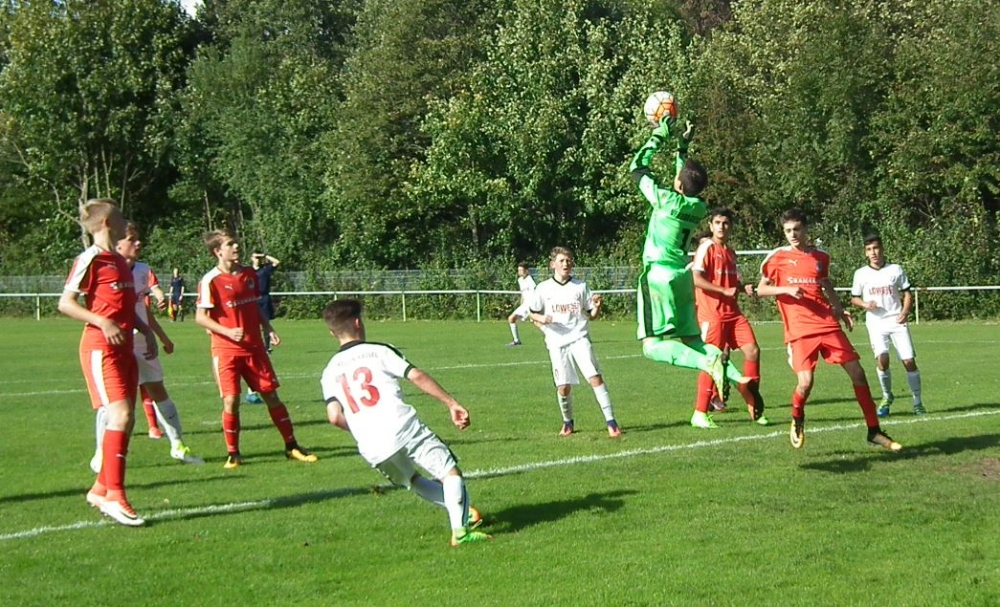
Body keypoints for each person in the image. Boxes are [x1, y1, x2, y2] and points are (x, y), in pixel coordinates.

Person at [320, 299, 490, 547]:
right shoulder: (379, 351)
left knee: (413, 480)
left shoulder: (329, 372)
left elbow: (334, 416)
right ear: (358, 323)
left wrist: (362, 428)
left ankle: (463, 512)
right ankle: (460, 532)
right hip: (403, 427)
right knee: (450, 473)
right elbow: (416, 375)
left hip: (371, 445)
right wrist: (451, 403)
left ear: (332, 332)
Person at [629, 105, 755, 402]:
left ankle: (708, 364)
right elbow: (684, 181)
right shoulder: (698, 206)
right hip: (682, 278)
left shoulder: (664, 200)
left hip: (658, 276)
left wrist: (660, 134)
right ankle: (739, 378)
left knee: (651, 346)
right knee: (693, 339)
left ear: (678, 184)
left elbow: (637, 167)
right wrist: (682, 147)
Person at [756, 209, 902, 451]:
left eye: (797, 229)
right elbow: (761, 289)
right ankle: (797, 416)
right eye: (788, 230)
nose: (793, 234)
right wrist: (785, 290)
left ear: (805, 229)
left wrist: (839, 309)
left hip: (826, 323)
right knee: (805, 382)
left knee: (858, 372)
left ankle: (874, 430)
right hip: (800, 329)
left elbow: (825, 284)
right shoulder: (777, 258)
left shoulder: (820, 257)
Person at [58, 199, 153, 526]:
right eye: (121, 217)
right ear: (108, 223)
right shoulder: (91, 258)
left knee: (128, 419)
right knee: (120, 414)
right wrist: (102, 322)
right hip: (101, 348)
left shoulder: (119, 260)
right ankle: (115, 495)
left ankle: (100, 489)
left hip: (124, 348)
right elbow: (66, 303)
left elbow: (123, 307)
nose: (127, 221)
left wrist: (145, 330)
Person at [195, 229, 317, 468]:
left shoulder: (249, 274)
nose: (236, 247)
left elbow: (254, 306)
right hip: (226, 351)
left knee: (271, 395)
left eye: (235, 243)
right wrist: (228, 332)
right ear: (218, 251)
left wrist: (268, 328)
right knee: (231, 400)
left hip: (254, 348)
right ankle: (233, 453)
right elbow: (200, 317)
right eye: (230, 244)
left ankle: (292, 446)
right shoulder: (210, 280)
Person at [88, 223, 203, 471]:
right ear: (118, 243)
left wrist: (159, 335)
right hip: (115, 343)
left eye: (138, 239)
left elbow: (143, 310)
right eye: (132, 239)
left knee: (158, 389)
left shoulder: (142, 270)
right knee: (113, 403)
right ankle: (101, 454)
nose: (138, 243)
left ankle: (178, 445)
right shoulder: (103, 267)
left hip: (141, 342)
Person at [527, 246, 621, 438]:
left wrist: (597, 307)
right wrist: (542, 319)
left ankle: (611, 422)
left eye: (568, 260)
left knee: (595, 378)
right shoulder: (543, 288)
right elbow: (532, 313)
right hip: (556, 342)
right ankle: (567, 422)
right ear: (553, 264)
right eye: (561, 261)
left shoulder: (580, 286)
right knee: (563, 386)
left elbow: (591, 315)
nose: (566, 264)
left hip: (579, 338)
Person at [690, 208, 768, 428]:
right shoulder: (707, 247)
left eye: (725, 223)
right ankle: (700, 413)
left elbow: (730, 283)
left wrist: (743, 288)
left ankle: (754, 407)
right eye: (717, 222)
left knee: (753, 351)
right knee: (711, 361)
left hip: (733, 314)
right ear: (711, 225)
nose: (721, 227)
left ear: (730, 226)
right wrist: (723, 291)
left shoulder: (731, 252)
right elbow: (696, 278)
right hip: (712, 314)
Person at [850, 234, 925, 417]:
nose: (873, 252)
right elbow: (854, 298)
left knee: (909, 361)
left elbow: (907, 293)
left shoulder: (895, 269)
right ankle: (887, 396)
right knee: (882, 359)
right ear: (865, 253)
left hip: (896, 320)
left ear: (882, 249)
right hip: (876, 323)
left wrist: (905, 312)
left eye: (876, 248)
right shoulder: (861, 273)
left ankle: (917, 402)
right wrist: (865, 304)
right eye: (869, 249)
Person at [251, 252, 280, 351]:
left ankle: (267, 347)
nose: (258, 259)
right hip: (252, 299)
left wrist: (265, 255)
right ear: (251, 258)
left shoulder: (265, 269)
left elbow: (277, 262)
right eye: (256, 257)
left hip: (264, 299)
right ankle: (254, 345)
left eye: (259, 258)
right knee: (252, 324)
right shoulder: (248, 271)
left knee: (265, 322)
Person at [505, 262, 536, 347]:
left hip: (531, 305)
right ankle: (516, 341)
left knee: (540, 323)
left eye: (521, 270)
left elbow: (535, 293)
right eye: (518, 270)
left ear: (527, 271)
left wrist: (534, 307)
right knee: (511, 318)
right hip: (525, 305)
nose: (519, 272)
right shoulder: (520, 280)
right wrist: (521, 303)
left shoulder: (530, 280)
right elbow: (523, 293)